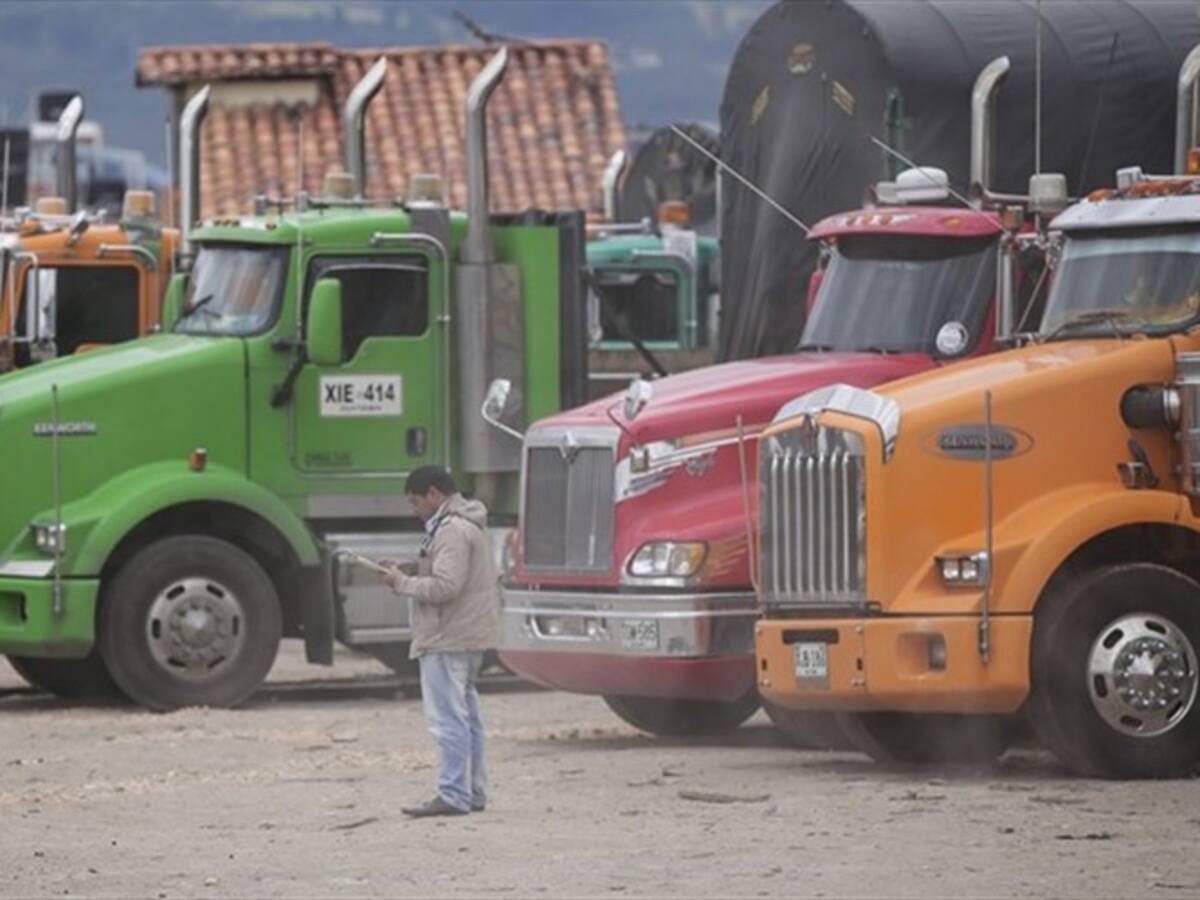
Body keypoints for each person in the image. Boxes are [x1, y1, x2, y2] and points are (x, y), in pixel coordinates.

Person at [384, 466, 501, 818]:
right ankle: (472, 792)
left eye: (416, 501)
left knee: (448, 719)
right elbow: (447, 573)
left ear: (434, 495)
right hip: (466, 635)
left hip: (446, 636)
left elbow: (446, 587)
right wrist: (409, 567)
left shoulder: (450, 531)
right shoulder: (467, 524)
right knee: (468, 718)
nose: (414, 508)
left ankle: (452, 794)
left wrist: (401, 583)